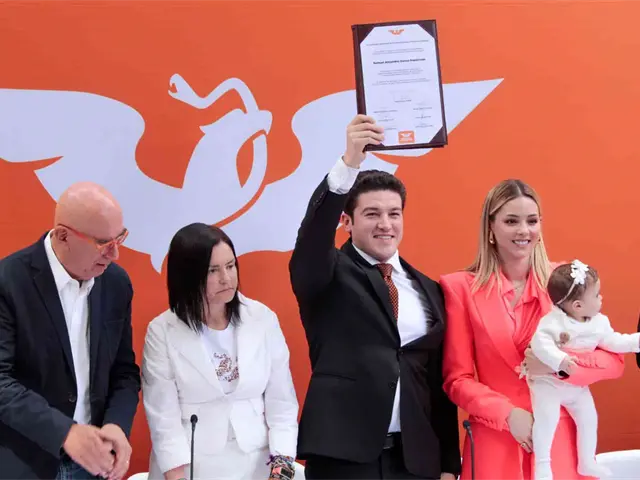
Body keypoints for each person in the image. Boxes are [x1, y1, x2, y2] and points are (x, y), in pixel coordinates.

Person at [289, 115, 461, 480]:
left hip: (415, 463)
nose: (385, 224)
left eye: (393, 214)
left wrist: (449, 464)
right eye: (372, 214)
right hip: (343, 461)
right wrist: (349, 162)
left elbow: (435, 381)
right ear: (346, 222)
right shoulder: (326, 273)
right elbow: (313, 234)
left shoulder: (428, 289)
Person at [440, 179, 626, 480]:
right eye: (511, 221)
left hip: (562, 443)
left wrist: (562, 368)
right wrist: (507, 415)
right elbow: (457, 380)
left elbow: (614, 361)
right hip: (496, 443)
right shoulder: (458, 288)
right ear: (490, 227)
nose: (523, 230)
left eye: (532, 220)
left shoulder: (566, 282)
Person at [0, 182, 141, 480]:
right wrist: (64, 432)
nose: (115, 254)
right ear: (63, 236)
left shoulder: (116, 284)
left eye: (120, 238)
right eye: (104, 243)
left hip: (94, 463)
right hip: (26, 461)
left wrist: (116, 424)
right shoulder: (9, 282)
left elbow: (124, 371)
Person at [142, 223, 298, 480]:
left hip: (257, 464)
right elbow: (163, 417)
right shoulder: (162, 331)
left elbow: (282, 404)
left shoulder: (262, 318)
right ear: (188, 275)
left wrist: (282, 472)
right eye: (213, 271)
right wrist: (176, 476)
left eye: (230, 266)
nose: (226, 278)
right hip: (191, 465)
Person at [527, 259, 640, 480]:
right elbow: (540, 344)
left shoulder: (599, 322)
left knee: (589, 418)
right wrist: (559, 360)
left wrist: (635, 341)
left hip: (577, 388)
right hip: (548, 384)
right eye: (596, 295)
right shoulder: (552, 322)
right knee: (546, 419)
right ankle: (543, 465)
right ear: (578, 306)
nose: (601, 298)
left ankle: (587, 461)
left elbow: (613, 342)